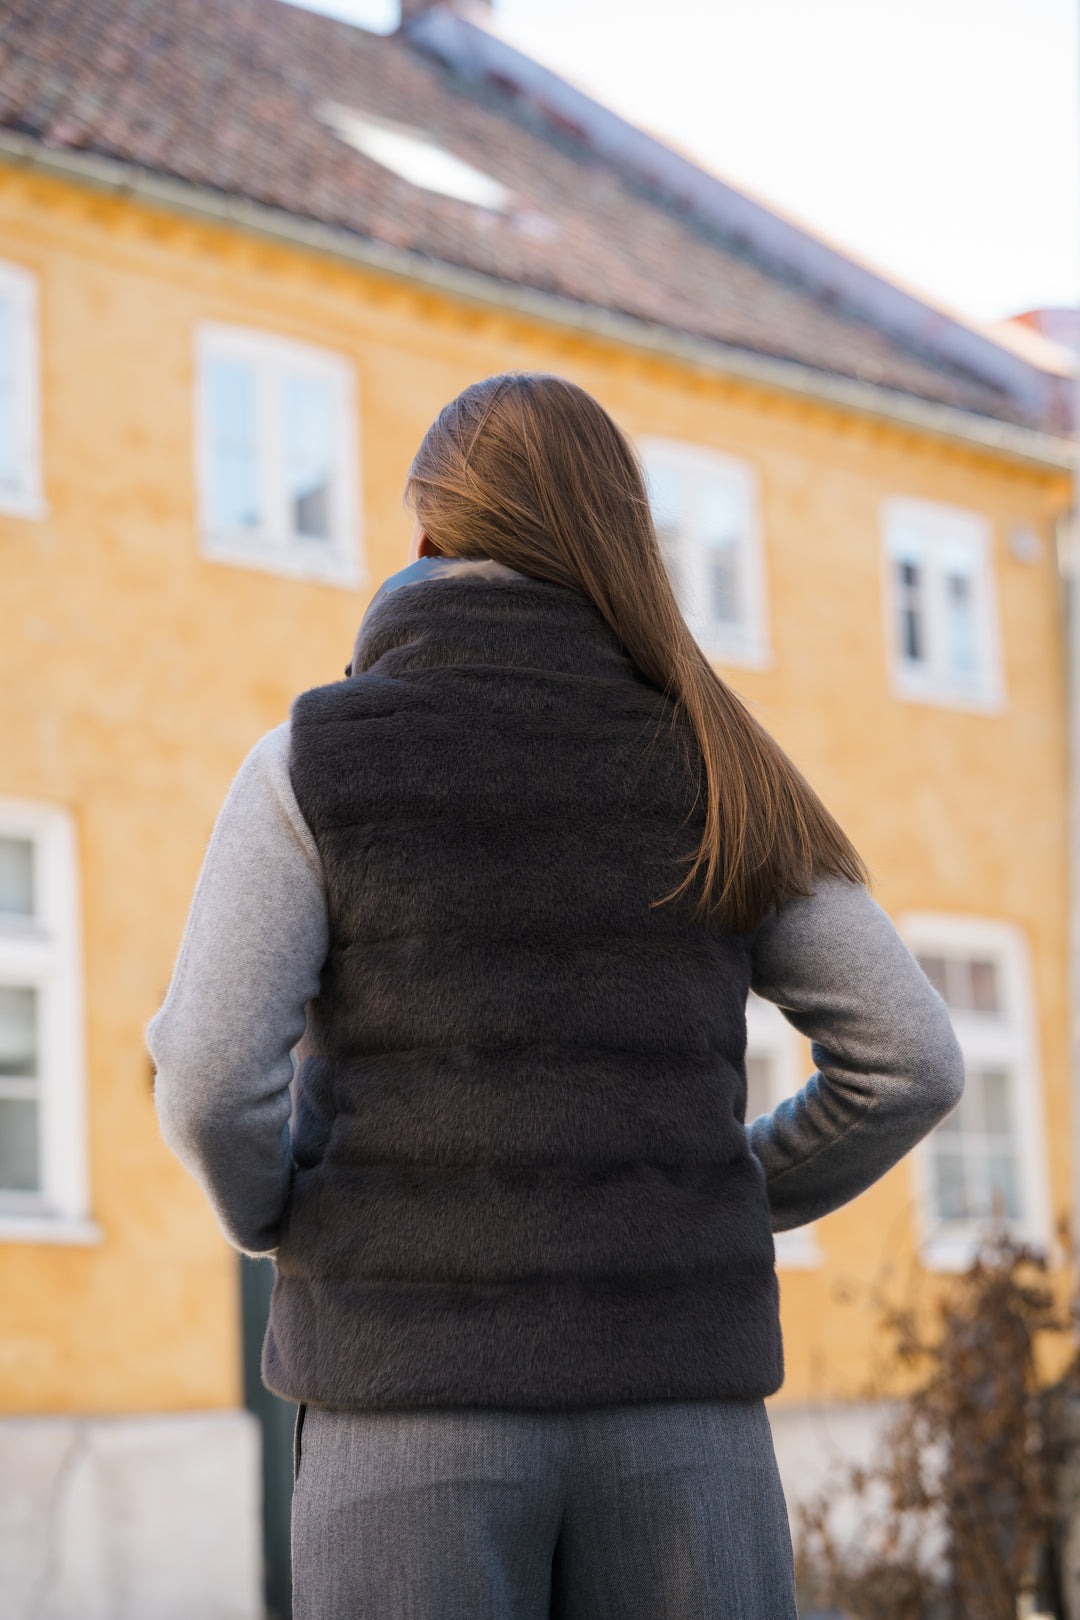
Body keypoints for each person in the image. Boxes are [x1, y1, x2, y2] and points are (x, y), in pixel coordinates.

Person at [149, 372, 963, 1620]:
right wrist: (716, 1190)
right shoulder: (723, 759)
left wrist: (288, 1219)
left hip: (404, 1412)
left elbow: (208, 1080)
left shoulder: (314, 759)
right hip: (686, 1420)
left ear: (424, 536)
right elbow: (909, 1059)